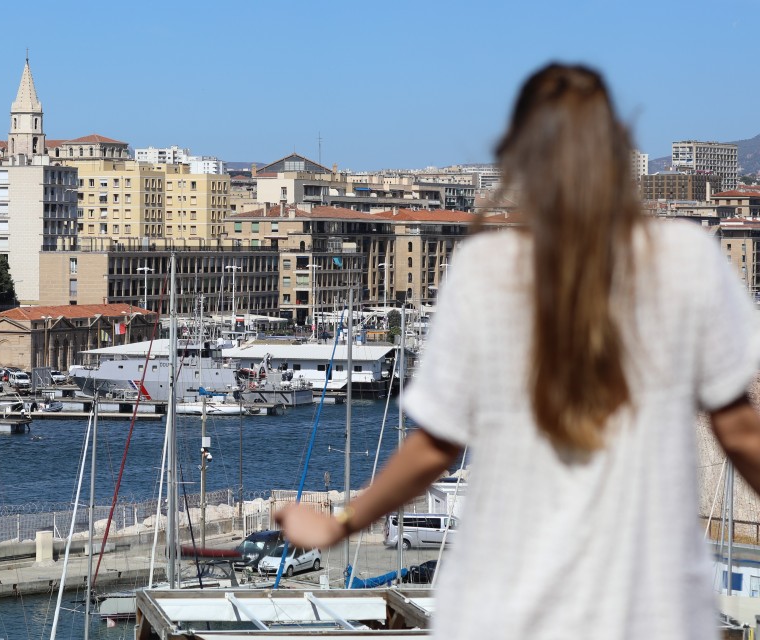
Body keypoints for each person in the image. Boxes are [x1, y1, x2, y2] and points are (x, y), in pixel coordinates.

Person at [277, 63, 760, 638]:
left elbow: (435, 450)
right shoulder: (688, 259)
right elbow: (739, 432)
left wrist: (341, 524)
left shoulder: (488, 269)